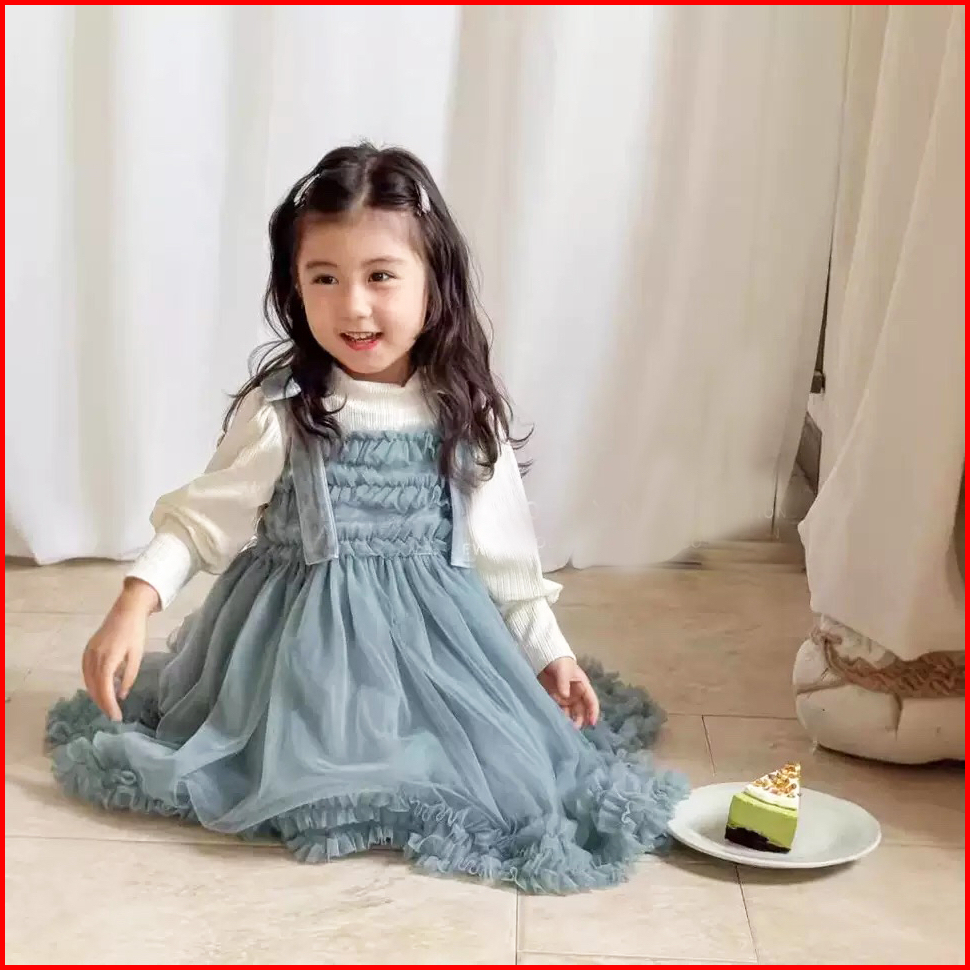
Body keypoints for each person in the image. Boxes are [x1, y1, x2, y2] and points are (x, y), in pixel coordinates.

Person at [46, 143, 687, 894]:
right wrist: (133, 604)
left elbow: (507, 567)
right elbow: (200, 522)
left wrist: (550, 654)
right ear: (294, 287)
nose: (353, 306)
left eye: (381, 276)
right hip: (302, 653)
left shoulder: (462, 416)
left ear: (433, 284)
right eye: (325, 278)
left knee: (489, 763)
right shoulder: (288, 410)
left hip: (436, 646)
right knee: (315, 748)